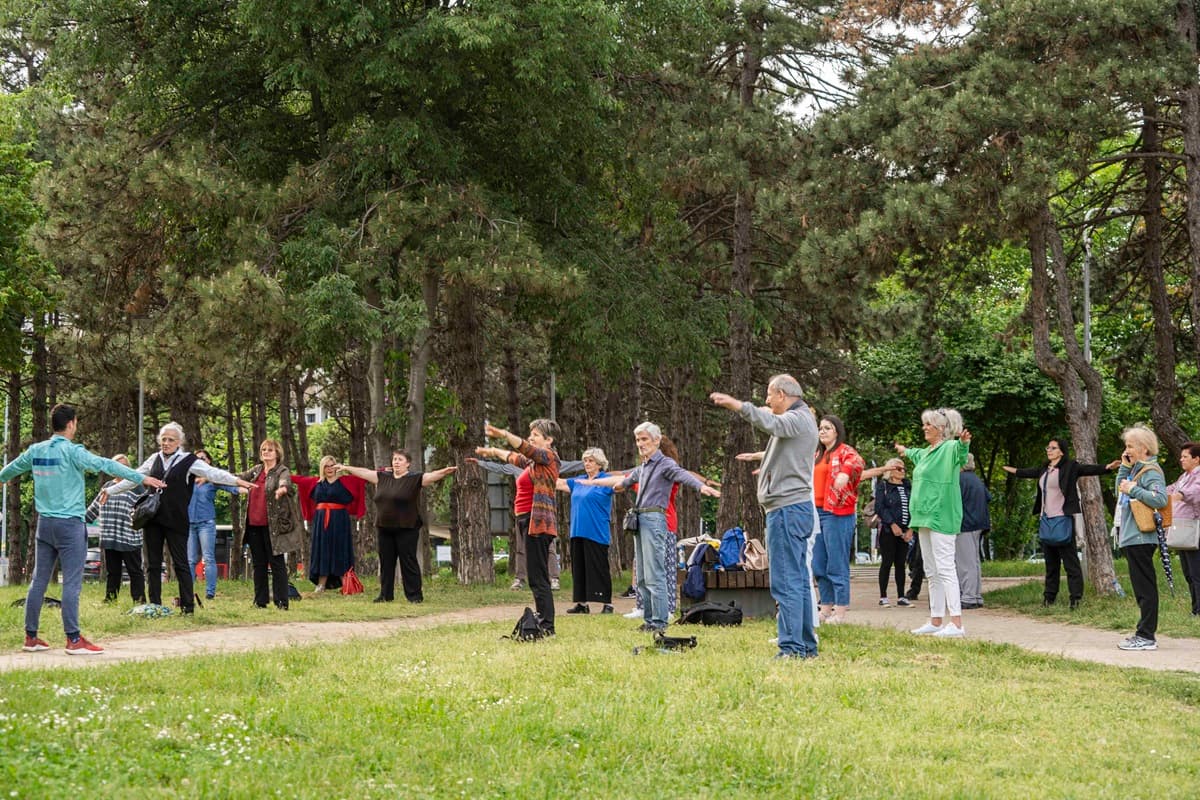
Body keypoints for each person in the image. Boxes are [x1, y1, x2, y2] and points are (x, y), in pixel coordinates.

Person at [0, 404, 166, 654]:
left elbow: (9, 470)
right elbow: (106, 465)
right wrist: (141, 477)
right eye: (76, 422)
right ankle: (74, 639)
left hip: (44, 524)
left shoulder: (36, 450)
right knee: (72, 584)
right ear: (71, 424)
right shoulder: (73, 451)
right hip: (69, 526)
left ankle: (31, 637)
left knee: (38, 581)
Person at [712, 375, 818, 659]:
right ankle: (806, 646)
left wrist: (738, 406)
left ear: (782, 394)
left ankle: (792, 648)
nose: (768, 401)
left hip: (787, 511)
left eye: (770, 395)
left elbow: (772, 422)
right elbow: (787, 448)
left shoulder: (797, 419)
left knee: (785, 582)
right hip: (792, 508)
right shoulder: (802, 420)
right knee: (798, 580)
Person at [582, 422, 720, 633]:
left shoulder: (665, 463)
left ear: (656, 441)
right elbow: (623, 482)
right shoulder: (643, 467)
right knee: (644, 575)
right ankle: (649, 620)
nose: (640, 444)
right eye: (638, 440)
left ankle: (659, 621)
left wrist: (702, 486)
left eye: (644, 439)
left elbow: (682, 474)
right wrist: (598, 483)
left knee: (655, 573)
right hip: (640, 519)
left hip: (655, 518)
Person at [107, 422, 254, 614]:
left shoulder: (189, 460)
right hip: (153, 519)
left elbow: (213, 473)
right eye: (163, 439)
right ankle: (155, 605)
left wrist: (236, 480)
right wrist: (110, 490)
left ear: (179, 442)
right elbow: (133, 477)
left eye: (170, 440)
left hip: (177, 520)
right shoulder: (154, 459)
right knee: (152, 563)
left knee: (181, 563)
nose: (166, 443)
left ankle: (187, 606)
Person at [1002, 438, 1118, 610]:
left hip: (1063, 520)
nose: (1049, 450)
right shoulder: (1044, 469)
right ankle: (1049, 599)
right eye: (1048, 447)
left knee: (1071, 563)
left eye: (1053, 448)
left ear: (1061, 451)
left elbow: (1087, 469)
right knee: (1051, 564)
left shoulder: (1070, 467)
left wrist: (1107, 467)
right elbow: (1028, 472)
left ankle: (1075, 599)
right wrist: (1013, 470)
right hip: (1046, 520)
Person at [337, 450, 456, 604]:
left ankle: (414, 596)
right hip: (384, 527)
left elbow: (431, 476)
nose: (396, 462)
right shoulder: (383, 477)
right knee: (386, 562)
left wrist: (445, 472)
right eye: (394, 459)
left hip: (407, 527)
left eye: (400, 459)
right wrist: (346, 467)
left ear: (408, 463)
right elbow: (364, 472)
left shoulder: (414, 478)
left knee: (408, 562)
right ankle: (385, 595)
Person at [476, 420, 562, 634]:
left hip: (538, 522)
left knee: (538, 576)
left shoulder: (549, 457)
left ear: (548, 440)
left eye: (536, 434)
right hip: (527, 521)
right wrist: (494, 451)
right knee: (536, 576)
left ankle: (547, 625)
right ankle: (544, 621)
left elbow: (526, 449)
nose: (531, 437)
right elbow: (516, 457)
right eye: (530, 433)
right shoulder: (535, 464)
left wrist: (504, 433)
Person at [896, 408, 971, 638]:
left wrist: (963, 443)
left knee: (946, 568)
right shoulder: (928, 452)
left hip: (941, 515)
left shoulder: (948, 448)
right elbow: (915, 454)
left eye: (928, 424)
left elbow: (960, 454)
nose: (924, 427)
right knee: (931, 570)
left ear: (940, 428)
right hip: (923, 517)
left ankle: (957, 624)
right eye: (924, 423)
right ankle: (936, 620)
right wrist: (904, 450)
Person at [470, 457, 583, 591]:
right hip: (523, 513)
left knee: (548, 546)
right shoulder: (517, 467)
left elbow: (571, 465)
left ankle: (553, 578)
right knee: (521, 547)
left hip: (543, 512)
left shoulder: (549, 464)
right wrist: (481, 463)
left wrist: (591, 462)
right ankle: (520, 579)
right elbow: (500, 468)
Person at [1114, 425, 1170, 651]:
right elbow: (1120, 489)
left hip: (1141, 538)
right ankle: (1143, 633)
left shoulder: (1151, 471)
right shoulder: (1135, 469)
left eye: (1130, 446)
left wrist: (1134, 489)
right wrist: (1124, 468)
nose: (1126, 449)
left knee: (1145, 589)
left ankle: (1146, 636)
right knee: (1140, 588)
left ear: (1144, 448)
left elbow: (1160, 499)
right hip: (1132, 537)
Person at [238, 439, 305, 609]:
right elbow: (238, 477)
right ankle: (260, 601)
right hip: (253, 524)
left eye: (270, 450)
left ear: (277, 453)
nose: (266, 452)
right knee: (258, 564)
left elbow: (286, 482)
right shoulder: (257, 471)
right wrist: (213, 476)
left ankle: (281, 601)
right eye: (263, 449)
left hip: (273, 527)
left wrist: (282, 489)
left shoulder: (282, 470)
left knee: (276, 563)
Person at [810, 414, 864, 624]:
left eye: (827, 428)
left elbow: (857, 462)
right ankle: (825, 608)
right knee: (819, 564)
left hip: (837, 513)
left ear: (837, 432)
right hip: (816, 512)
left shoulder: (844, 451)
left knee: (837, 563)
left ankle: (840, 612)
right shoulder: (816, 454)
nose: (822, 431)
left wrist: (844, 473)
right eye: (820, 428)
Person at [557, 447, 616, 614]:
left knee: (598, 567)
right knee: (579, 568)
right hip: (577, 530)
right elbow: (559, 483)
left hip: (596, 531)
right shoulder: (580, 480)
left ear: (599, 463)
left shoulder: (605, 480)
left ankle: (606, 603)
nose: (587, 464)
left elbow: (620, 483)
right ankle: (582, 604)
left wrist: (597, 481)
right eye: (585, 461)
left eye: (590, 461)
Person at [85, 454, 147, 604]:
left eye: (123, 466)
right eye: (117, 466)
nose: (120, 469)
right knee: (113, 572)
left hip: (129, 536)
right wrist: (80, 521)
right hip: (110, 536)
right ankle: (110, 599)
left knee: (135, 571)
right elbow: (95, 507)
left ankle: (139, 601)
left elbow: (146, 509)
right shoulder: (107, 487)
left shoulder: (136, 486)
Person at [187, 449, 243, 600]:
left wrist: (245, 488)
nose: (200, 461)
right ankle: (188, 592)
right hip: (189, 524)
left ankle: (210, 592)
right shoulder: (187, 480)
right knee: (190, 560)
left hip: (206, 523)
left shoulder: (213, 480)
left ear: (209, 461)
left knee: (209, 558)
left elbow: (230, 485)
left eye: (203, 458)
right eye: (197, 459)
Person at [859, 458, 913, 607]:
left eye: (903, 468)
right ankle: (883, 596)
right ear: (890, 470)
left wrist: (911, 528)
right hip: (888, 530)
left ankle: (902, 596)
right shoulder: (883, 486)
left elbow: (914, 507)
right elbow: (879, 508)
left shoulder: (908, 486)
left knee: (901, 563)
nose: (902, 471)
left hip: (905, 530)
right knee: (887, 562)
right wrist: (892, 524)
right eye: (898, 468)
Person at [305, 456, 357, 593]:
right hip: (322, 521)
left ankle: (346, 582)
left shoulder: (345, 482)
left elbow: (364, 477)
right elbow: (297, 480)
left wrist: (382, 471)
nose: (330, 469)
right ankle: (321, 583)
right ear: (322, 468)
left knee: (340, 547)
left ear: (337, 466)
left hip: (339, 519)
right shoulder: (317, 483)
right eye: (326, 466)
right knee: (322, 548)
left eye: (332, 465)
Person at [1166, 441, 1200, 616]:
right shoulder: (1184, 477)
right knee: (1188, 572)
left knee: (1196, 573)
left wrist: (1180, 495)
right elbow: (1171, 489)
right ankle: (1195, 608)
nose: (1181, 460)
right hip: (1182, 529)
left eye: (1185, 457)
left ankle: (1198, 610)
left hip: (1193, 529)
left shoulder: (1198, 476)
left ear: (1196, 459)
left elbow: (1195, 491)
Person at [957, 454, 991, 610]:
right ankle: (976, 595)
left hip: (965, 524)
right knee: (974, 561)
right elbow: (988, 497)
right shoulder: (976, 480)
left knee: (965, 562)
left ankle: (968, 596)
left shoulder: (959, 480)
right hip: (979, 523)